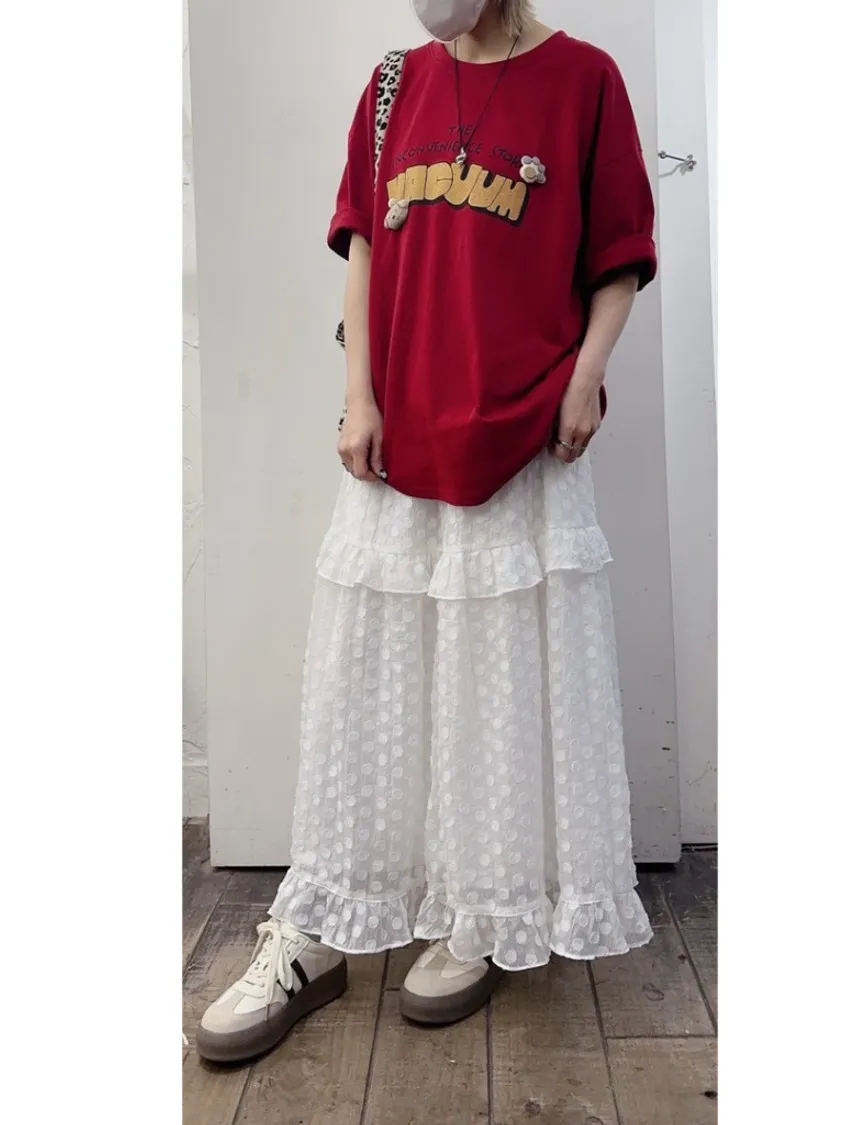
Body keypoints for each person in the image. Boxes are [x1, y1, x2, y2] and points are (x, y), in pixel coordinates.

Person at [197, 0, 657, 1064]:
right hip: (400, 435)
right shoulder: (394, 84)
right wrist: (357, 395)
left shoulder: (585, 81)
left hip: (523, 439)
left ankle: (480, 914)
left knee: (495, 684)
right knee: (362, 685)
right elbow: (363, 249)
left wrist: (586, 377)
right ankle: (316, 925)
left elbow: (620, 254)